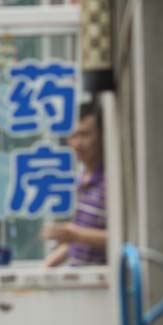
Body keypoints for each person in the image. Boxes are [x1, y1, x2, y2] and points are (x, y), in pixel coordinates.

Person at [43, 102, 107, 266]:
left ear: (102, 135)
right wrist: (45, 268)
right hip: (80, 280)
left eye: (85, 135)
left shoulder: (110, 181)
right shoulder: (83, 178)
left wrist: (75, 235)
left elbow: (122, 238)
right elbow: (75, 239)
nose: (77, 144)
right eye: (73, 136)